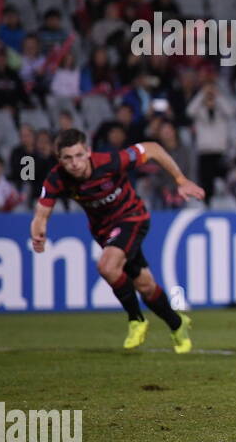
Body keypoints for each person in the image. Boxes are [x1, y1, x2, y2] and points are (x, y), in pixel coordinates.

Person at [31, 129, 203, 351]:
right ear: (59, 159)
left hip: (133, 218)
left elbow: (152, 148)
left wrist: (180, 179)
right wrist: (38, 232)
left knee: (107, 266)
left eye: (79, 155)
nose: (75, 163)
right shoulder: (56, 178)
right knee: (145, 286)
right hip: (104, 232)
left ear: (88, 152)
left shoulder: (110, 161)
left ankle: (136, 319)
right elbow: (41, 214)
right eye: (68, 158)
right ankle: (177, 324)